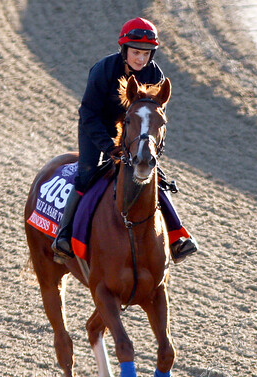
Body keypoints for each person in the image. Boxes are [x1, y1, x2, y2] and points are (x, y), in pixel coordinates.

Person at [52, 17, 198, 264]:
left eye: (146, 54)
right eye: (136, 53)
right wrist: (108, 147)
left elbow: (154, 115)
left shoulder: (154, 74)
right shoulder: (103, 70)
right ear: (124, 50)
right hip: (96, 127)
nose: (141, 59)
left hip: (131, 132)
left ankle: (177, 237)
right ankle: (64, 236)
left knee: (154, 176)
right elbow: (88, 113)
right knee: (86, 175)